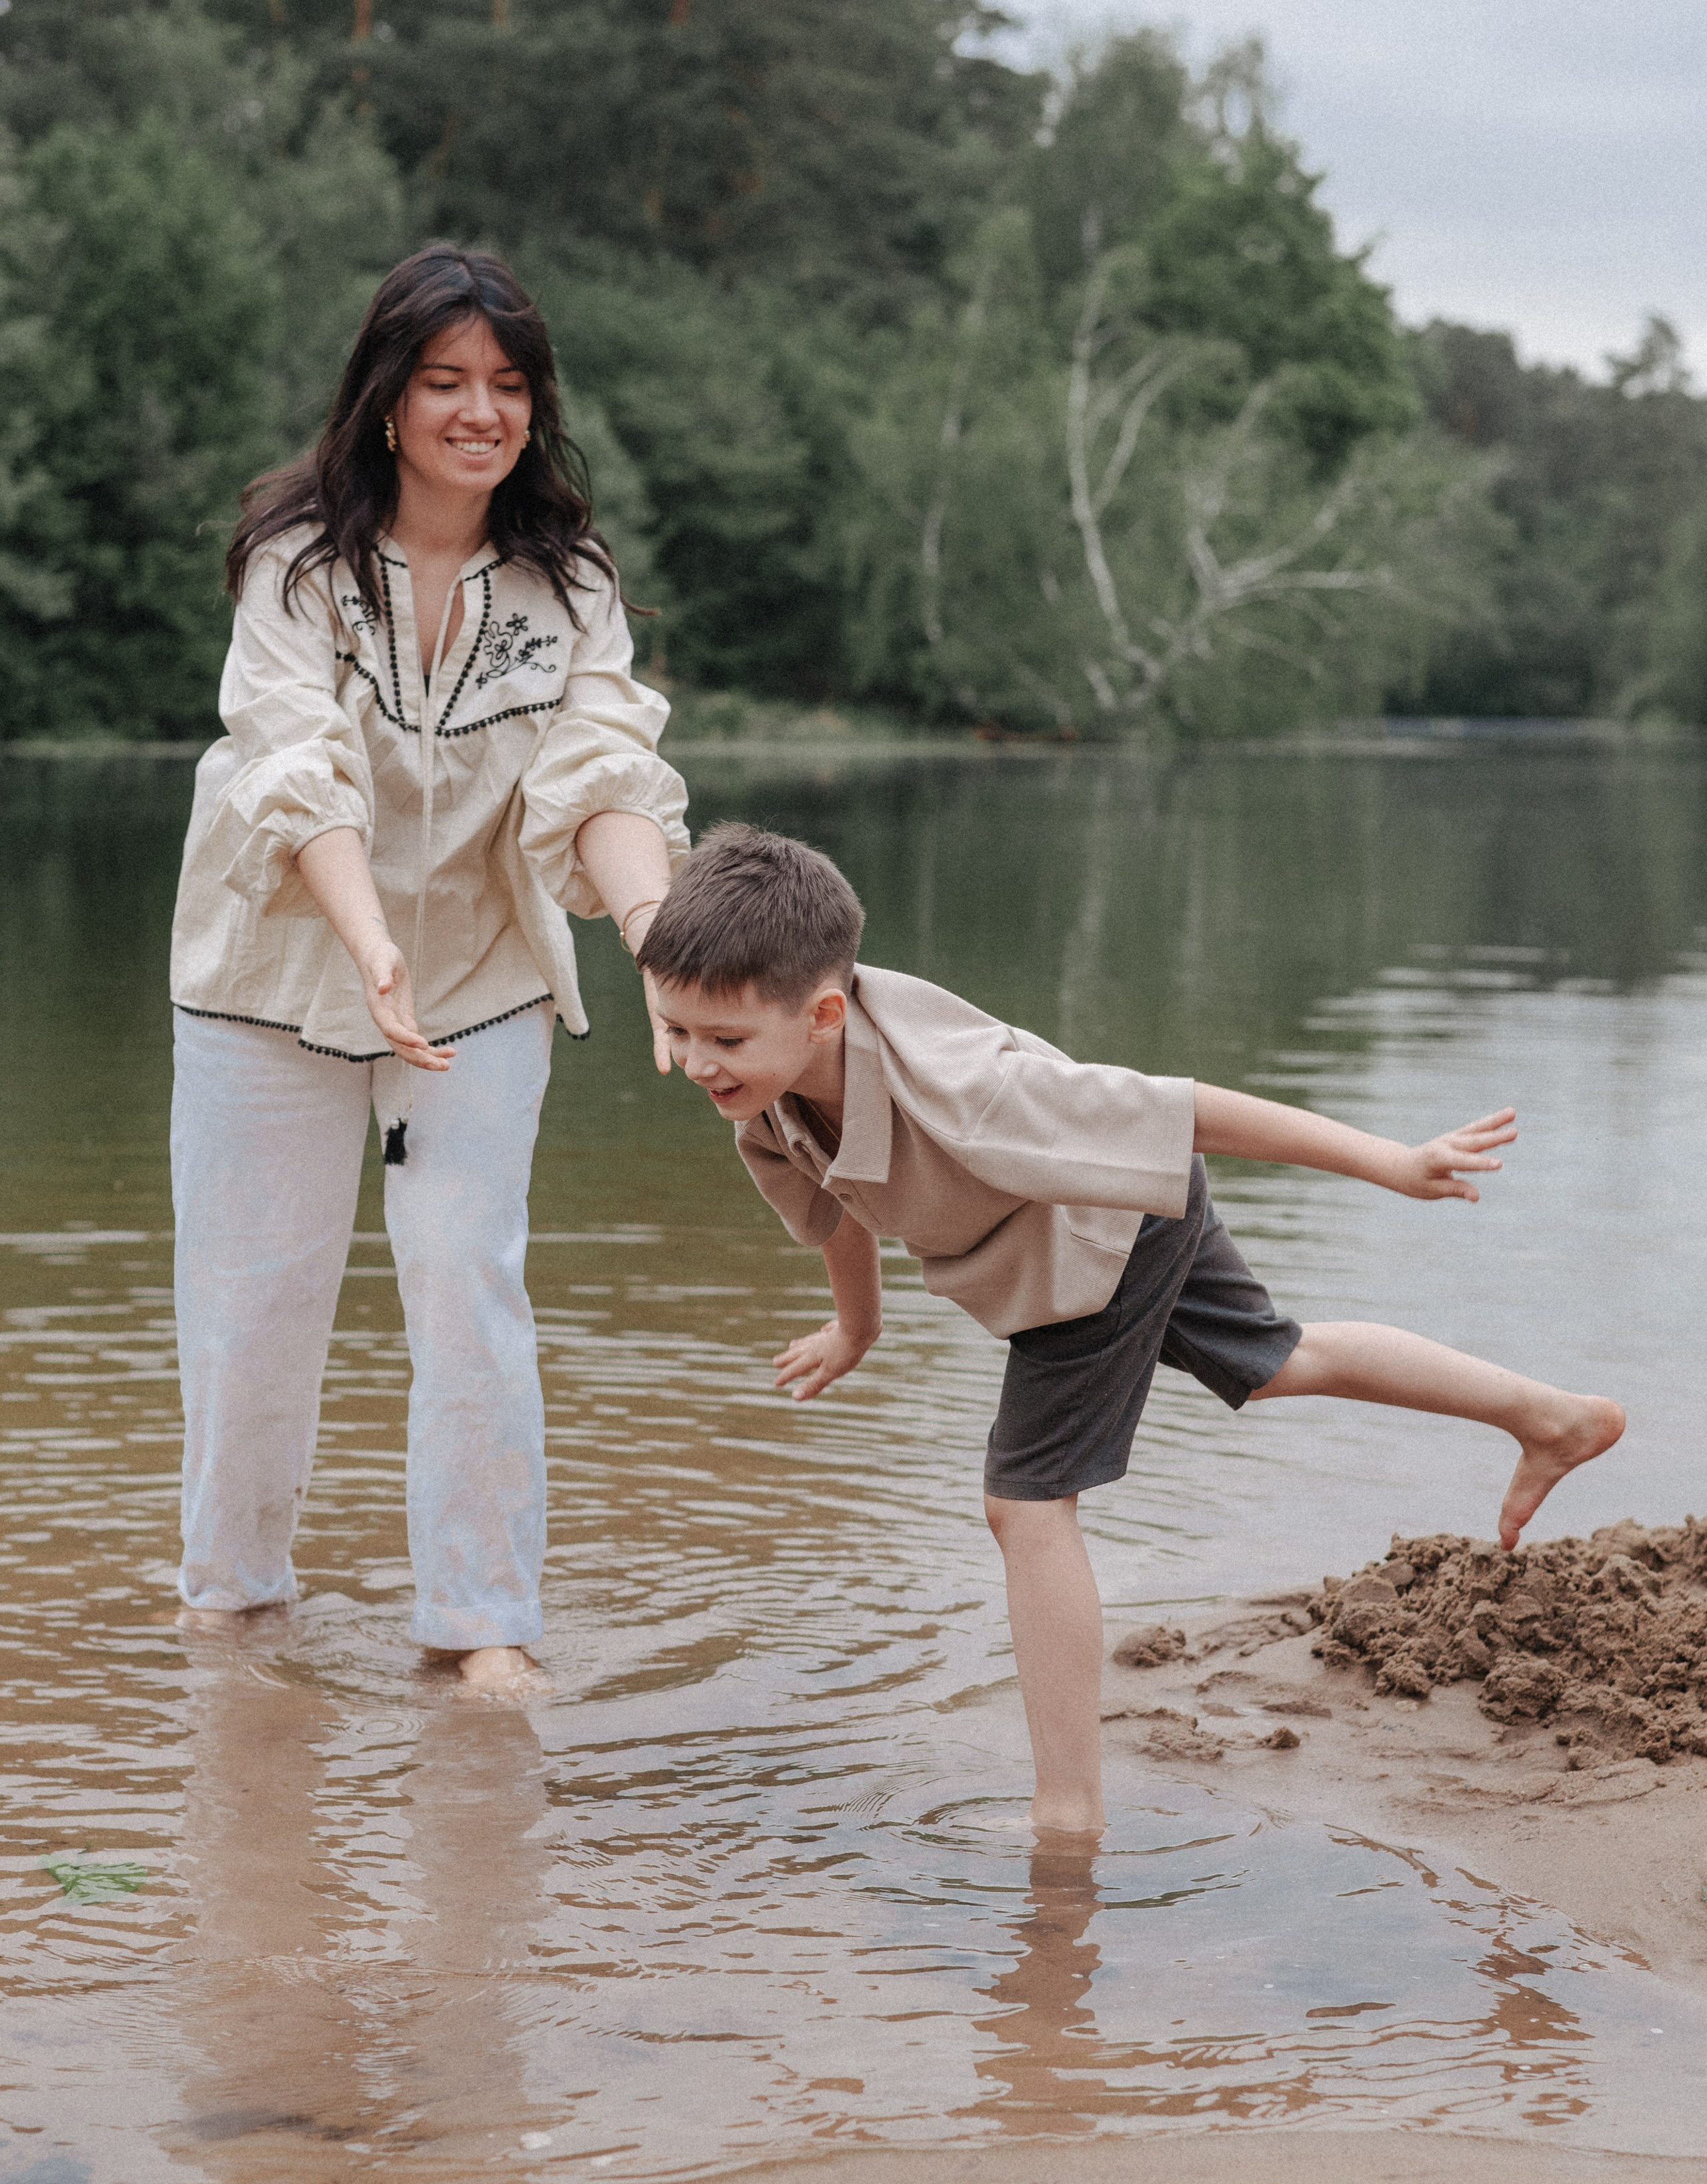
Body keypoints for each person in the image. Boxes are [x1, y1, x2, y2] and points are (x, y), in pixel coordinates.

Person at [639, 825, 1627, 1834]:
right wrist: (857, 1330)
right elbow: (836, 1206)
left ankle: (1068, 1816)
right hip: (1110, 1224)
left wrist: (1391, 1162)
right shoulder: (767, 1099)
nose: (696, 1063)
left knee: (1025, 1506)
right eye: (677, 1030)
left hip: (1103, 1235)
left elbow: (1183, 1114)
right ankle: (1552, 1419)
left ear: (824, 1015)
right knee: (1280, 1362)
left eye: (725, 1040)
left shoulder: (966, 1088)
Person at [170, 243, 687, 1688]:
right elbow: (294, 761)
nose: (480, 411)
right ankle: (230, 1604)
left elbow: (604, 776)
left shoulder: (569, 580)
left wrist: (660, 947)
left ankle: (482, 1628)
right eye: (447, 380)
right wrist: (369, 942)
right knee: (254, 1306)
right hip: (271, 981)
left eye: (508, 385)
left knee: (470, 1290)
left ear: (536, 405)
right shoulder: (297, 561)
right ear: (388, 398)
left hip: (480, 981)